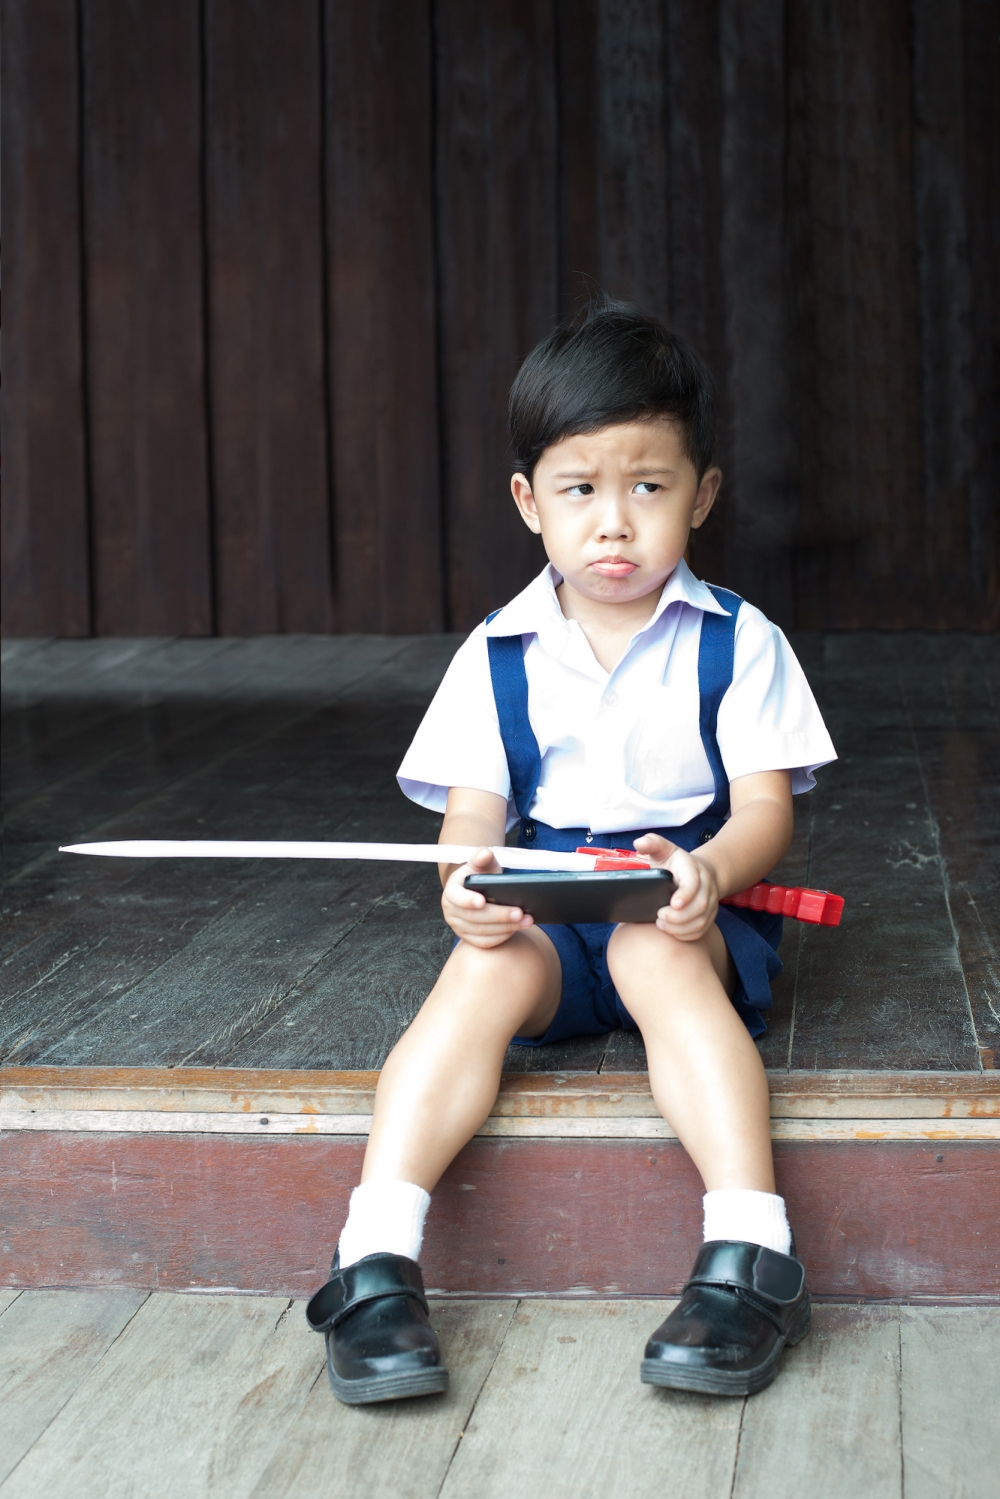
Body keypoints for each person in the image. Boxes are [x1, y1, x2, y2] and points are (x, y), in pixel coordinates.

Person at [306, 302, 836, 1404]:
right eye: (579, 489)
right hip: (549, 908)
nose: (614, 524)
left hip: (688, 909)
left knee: (649, 954)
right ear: (528, 502)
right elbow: (472, 816)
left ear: (702, 492)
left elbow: (763, 810)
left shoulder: (740, 640)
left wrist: (709, 874)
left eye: (648, 487)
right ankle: (373, 1257)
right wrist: (468, 887)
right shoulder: (498, 649)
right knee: (481, 968)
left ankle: (751, 1251)